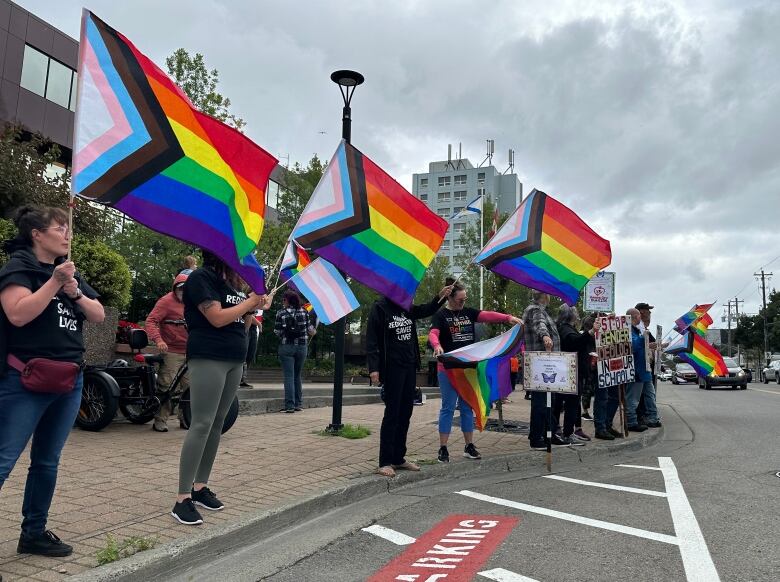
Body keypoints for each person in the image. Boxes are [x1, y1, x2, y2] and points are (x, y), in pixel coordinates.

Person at [0, 206, 104, 556]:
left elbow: (99, 314)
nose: (67, 234)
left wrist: (74, 290)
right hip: (25, 380)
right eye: (60, 228)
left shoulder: (67, 272)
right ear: (37, 234)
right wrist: (55, 282)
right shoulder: (19, 267)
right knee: (4, 460)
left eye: (67, 228)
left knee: (46, 461)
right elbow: (17, 313)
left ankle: (33, 533)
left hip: (68, 382)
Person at [171, 251, 271, 525]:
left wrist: (253, 307)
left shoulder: (233, 287)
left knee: (217, 423)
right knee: (201, 424)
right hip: (208, 356)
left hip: (233, 358)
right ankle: (182, 499)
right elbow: (216, 317)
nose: (244, 267)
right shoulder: (201, 278)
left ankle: (200, 487)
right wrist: (250, 301)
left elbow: (243, 323)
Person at [428, 283, 522, 462]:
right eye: (460, 300)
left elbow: (487, 315)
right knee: (447, 408)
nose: (463, 302)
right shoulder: (441, 315)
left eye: (465, 299)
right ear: (449, 298)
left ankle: (469, 446)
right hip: (447, 369)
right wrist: (437, 345)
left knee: (467, 406)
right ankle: (443, 448)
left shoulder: (469, 313)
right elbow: (433, 333)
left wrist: (507, 317)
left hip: (468, 369)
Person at [367, 284, 453, 477]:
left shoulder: (406, 307)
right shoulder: (380, 307)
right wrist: (374, 368)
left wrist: (440, 296)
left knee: (406, 412)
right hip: (391, 368)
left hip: (408, 366)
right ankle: (385, 461)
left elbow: (425, 310)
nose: (409, 294)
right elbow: (372, 340)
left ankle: (398, 458)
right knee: (392, 413)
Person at [522, 290, 571, 450]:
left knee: (549, 401)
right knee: (541, 402)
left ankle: (547, 433)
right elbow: (539, 325)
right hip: (541, 364)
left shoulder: (540, 310)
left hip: (546, 364)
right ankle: (537, 438)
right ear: (544, 296)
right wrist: (545, 336)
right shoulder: (535, 310)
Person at [145, 273, 190, 432]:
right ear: (175, 287)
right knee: (166, 385)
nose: (183, 291)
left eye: (187, 288)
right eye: (181, 288)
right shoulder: (166, 301)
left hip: (190, 352)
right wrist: (159, 340)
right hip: (171, 351)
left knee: (189, 388)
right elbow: (151, 321)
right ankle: (160, 420)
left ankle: (186, 419)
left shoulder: (193, 302)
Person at [555, 305, 598, 443]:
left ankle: (560, 430)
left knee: (565, 403)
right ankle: (567, 433)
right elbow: (575, 342)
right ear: (572, 315)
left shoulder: (565, 328)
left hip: (569, 371)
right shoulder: (566, 329)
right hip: (570, 372)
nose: (578, 315)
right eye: (576, 313)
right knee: (571, 403)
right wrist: (591, 332)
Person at [274, 290, 316, 413]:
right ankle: (298, 404)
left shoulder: (281, 313)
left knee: (289, 376)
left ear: (287, 300)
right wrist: (313, 331)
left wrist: (285, 334)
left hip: (286, 347)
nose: (283, 302)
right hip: (302, 347)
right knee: (297, 375)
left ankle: (289, 406)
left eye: (283, 299)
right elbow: (310, 330)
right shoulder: (304, 311)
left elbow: (277, 331)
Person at [625, 308, 661, 432]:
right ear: (635, 317)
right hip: (637, 370)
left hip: (644, 369)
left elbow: (640, 345)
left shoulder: (637, 330)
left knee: (650, 395)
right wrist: (644, 339)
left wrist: (649, 344)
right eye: (639, 315)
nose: (641, 318)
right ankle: (631, 422)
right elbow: (632, 346)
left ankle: (653, 418)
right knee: (633, 398)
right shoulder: (628, 330)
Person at [240, 308, 262, 387]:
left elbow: (266, 306)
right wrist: (259, 323)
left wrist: (272, 295)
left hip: (253, 329)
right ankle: (239, 379)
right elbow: (247, 313)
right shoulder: (248, 298)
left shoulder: (260, 300)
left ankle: (243, 379)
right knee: (243, 354)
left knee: (250, 355)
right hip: (245, 326)